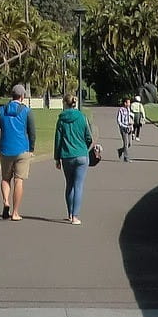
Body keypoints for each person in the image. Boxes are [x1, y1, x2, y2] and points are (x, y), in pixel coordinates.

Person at [0, 82, 38, 221]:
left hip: (6, 149)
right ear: (22, 97)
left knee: (5, 178)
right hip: (22, 149)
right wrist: (31, 148)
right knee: (19, 180)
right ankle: (15, 212)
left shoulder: (1, 110)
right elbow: (32, 132)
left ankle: (6, 201)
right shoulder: (26, 111)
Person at [54, 93, 94, 224]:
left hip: (67, 156)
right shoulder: (82, 117)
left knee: (69, 185)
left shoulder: (61, 119)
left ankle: (70, 213)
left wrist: (57, 158)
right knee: (79, 186)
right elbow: (89, 137)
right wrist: (86, 148)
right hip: (81, 154)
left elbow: (58, 140)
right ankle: (75, 216)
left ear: (65, 104)